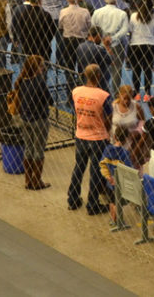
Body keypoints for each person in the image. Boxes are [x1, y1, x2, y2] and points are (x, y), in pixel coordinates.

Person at [67, 64, 112, 215]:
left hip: (81, 135)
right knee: (95, 172)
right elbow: (108, 117)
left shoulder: (76, 91)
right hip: (98, 137)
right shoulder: (103, 96)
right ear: (98, 76)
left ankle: (72, 199)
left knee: (78, 168)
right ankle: (92, 204)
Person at [15, 54, 55, 190]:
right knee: (38, 151)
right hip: (39, 120)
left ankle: (28, 180)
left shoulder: (22, 80)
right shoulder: (39, 82)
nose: (43, 67)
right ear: (36, 68)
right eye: (41, 65)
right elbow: (49, 100)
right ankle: (37, 181)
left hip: (25, 119)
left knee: (28, 148)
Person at [91, 0, 129, 93]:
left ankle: (99, 91)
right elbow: (125, 30)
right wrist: (113, 38)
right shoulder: (122, 14)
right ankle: (116, 93)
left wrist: (103, 38)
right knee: (116, 70)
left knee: (99, 68)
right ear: (116, 0)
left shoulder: (97, 12)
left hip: (100, 45)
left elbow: (93, 28)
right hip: (117, 45)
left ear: (105, 0)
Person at [100, 126, 134, 223]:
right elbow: (128, 169)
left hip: (109, 181)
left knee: (111, 200)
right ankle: (117, 220)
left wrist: (108, 177)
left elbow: (103, 163)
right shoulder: (125, 153)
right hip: (119, 182)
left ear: (114, 136)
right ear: (126, 139)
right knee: (117, 201)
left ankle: (112, 219)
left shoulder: (108, 149)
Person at [128, 1, 154, 101]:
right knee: (147, 70)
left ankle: (136, 93)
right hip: (149, 46)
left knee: (136, 70)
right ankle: (147, 94)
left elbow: (130, 30)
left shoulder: (133, 16)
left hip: (135, 45)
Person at [111, 84, 147, 170]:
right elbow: (107, 122)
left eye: (129, 98)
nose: (127, 101)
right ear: (119, 95)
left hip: (131, 145)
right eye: (124, 98)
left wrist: (138, 131)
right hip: (115, 143)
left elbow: (143, 121)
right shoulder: (113, 106)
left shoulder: (136, 106)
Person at [58, 0, 90, 75]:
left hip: (68, 41)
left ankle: (70, 84)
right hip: (82, 41)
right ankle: (81, 82)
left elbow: (60, 26)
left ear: (67, 0)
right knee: (82, 64)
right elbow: (89, 26)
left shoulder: (63, 11)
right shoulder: (85, 11)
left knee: (69, 66)